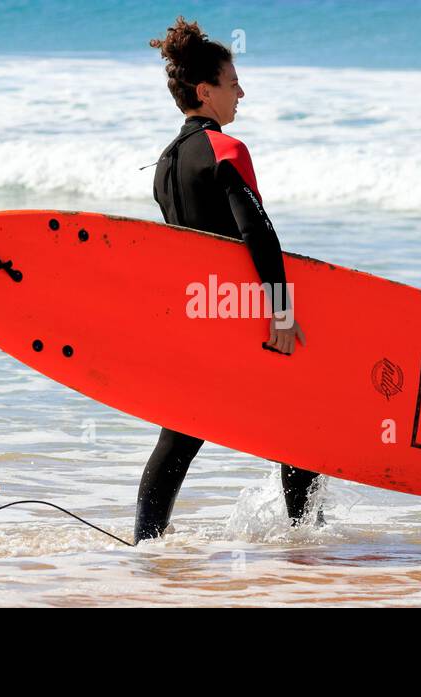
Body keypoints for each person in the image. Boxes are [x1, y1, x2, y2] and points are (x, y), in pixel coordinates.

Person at [135, 16, 322, 544]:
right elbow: (259, 236)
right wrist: (281, 312)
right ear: (205, 90)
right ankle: (307, 543)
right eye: (233, 82)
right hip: (241, 316)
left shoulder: (165, 163)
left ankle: (146, 545)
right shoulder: (225, 149)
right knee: (299, 429)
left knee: (180, 433)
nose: (241, 91)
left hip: (197, 317)